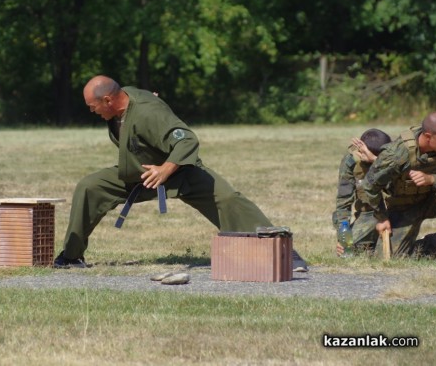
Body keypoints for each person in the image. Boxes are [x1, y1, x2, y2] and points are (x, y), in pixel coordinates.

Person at [54, 75, 308, 271]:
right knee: (90, 186)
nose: (91, 111)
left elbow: (187, 140)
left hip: (179, 170)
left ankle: (284, 253)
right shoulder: (124, 98)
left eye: (93, 106)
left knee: (229, 199)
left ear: (109, 100)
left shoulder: (148, 113)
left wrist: (166, 169)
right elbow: (145, 95)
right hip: (141, 172)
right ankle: (71, 256)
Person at [361, 111, 436, 257]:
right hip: (404, 206)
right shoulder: (397, 154)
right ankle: (430, 246)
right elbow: (370, 185)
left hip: (434, 198)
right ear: (428, 137)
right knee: (388, 257)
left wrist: (433, 179)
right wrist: (382, 218)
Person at [333, 128, 391, 256]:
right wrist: (344, 238)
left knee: (397, 253)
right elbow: (343, 202)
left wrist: (376, 162)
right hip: (371, 214)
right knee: (347, 252)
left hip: (397, 212)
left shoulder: (393, 159)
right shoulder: (351, 162)